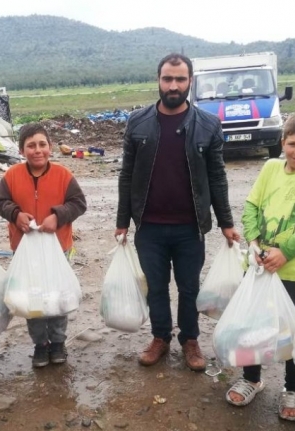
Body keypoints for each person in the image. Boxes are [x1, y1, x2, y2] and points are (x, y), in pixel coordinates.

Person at [114, 53, 240, 372]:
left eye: (180, 79)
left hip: (190, 228)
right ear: (158, 80)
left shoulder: (208, 125)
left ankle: (190, 340)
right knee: (155, 287)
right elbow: (127, 174)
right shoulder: (137, 122)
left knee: (189, 288)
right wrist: (122, 221)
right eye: (167, 79)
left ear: (190, 82)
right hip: (149, 227)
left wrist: (226, 222)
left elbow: (217, 176)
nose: (173, 85)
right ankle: (160, 338)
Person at [226, 111, 295, 421]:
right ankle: (251, 378)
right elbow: (251, 205)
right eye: (292, 144)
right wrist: (255, 241)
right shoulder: (271, 167)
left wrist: (285, 252)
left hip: (290, 269)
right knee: (252, 323)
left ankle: (294, 388)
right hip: (258, 264)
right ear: (282, 142)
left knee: (289, 329)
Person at [0, 122, 86, 368]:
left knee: (57, 297)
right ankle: (40, 345)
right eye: (30, 145)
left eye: (42, 144)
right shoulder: (11, 176)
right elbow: (0, 201)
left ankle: (57, 343)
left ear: (50, 147)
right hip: (25, 250)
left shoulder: (63, 175)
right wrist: (15, 214)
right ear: (22, 150)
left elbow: (78, 203)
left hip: (57, 248)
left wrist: (58, 215)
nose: (37, 150)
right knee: (32, 299)